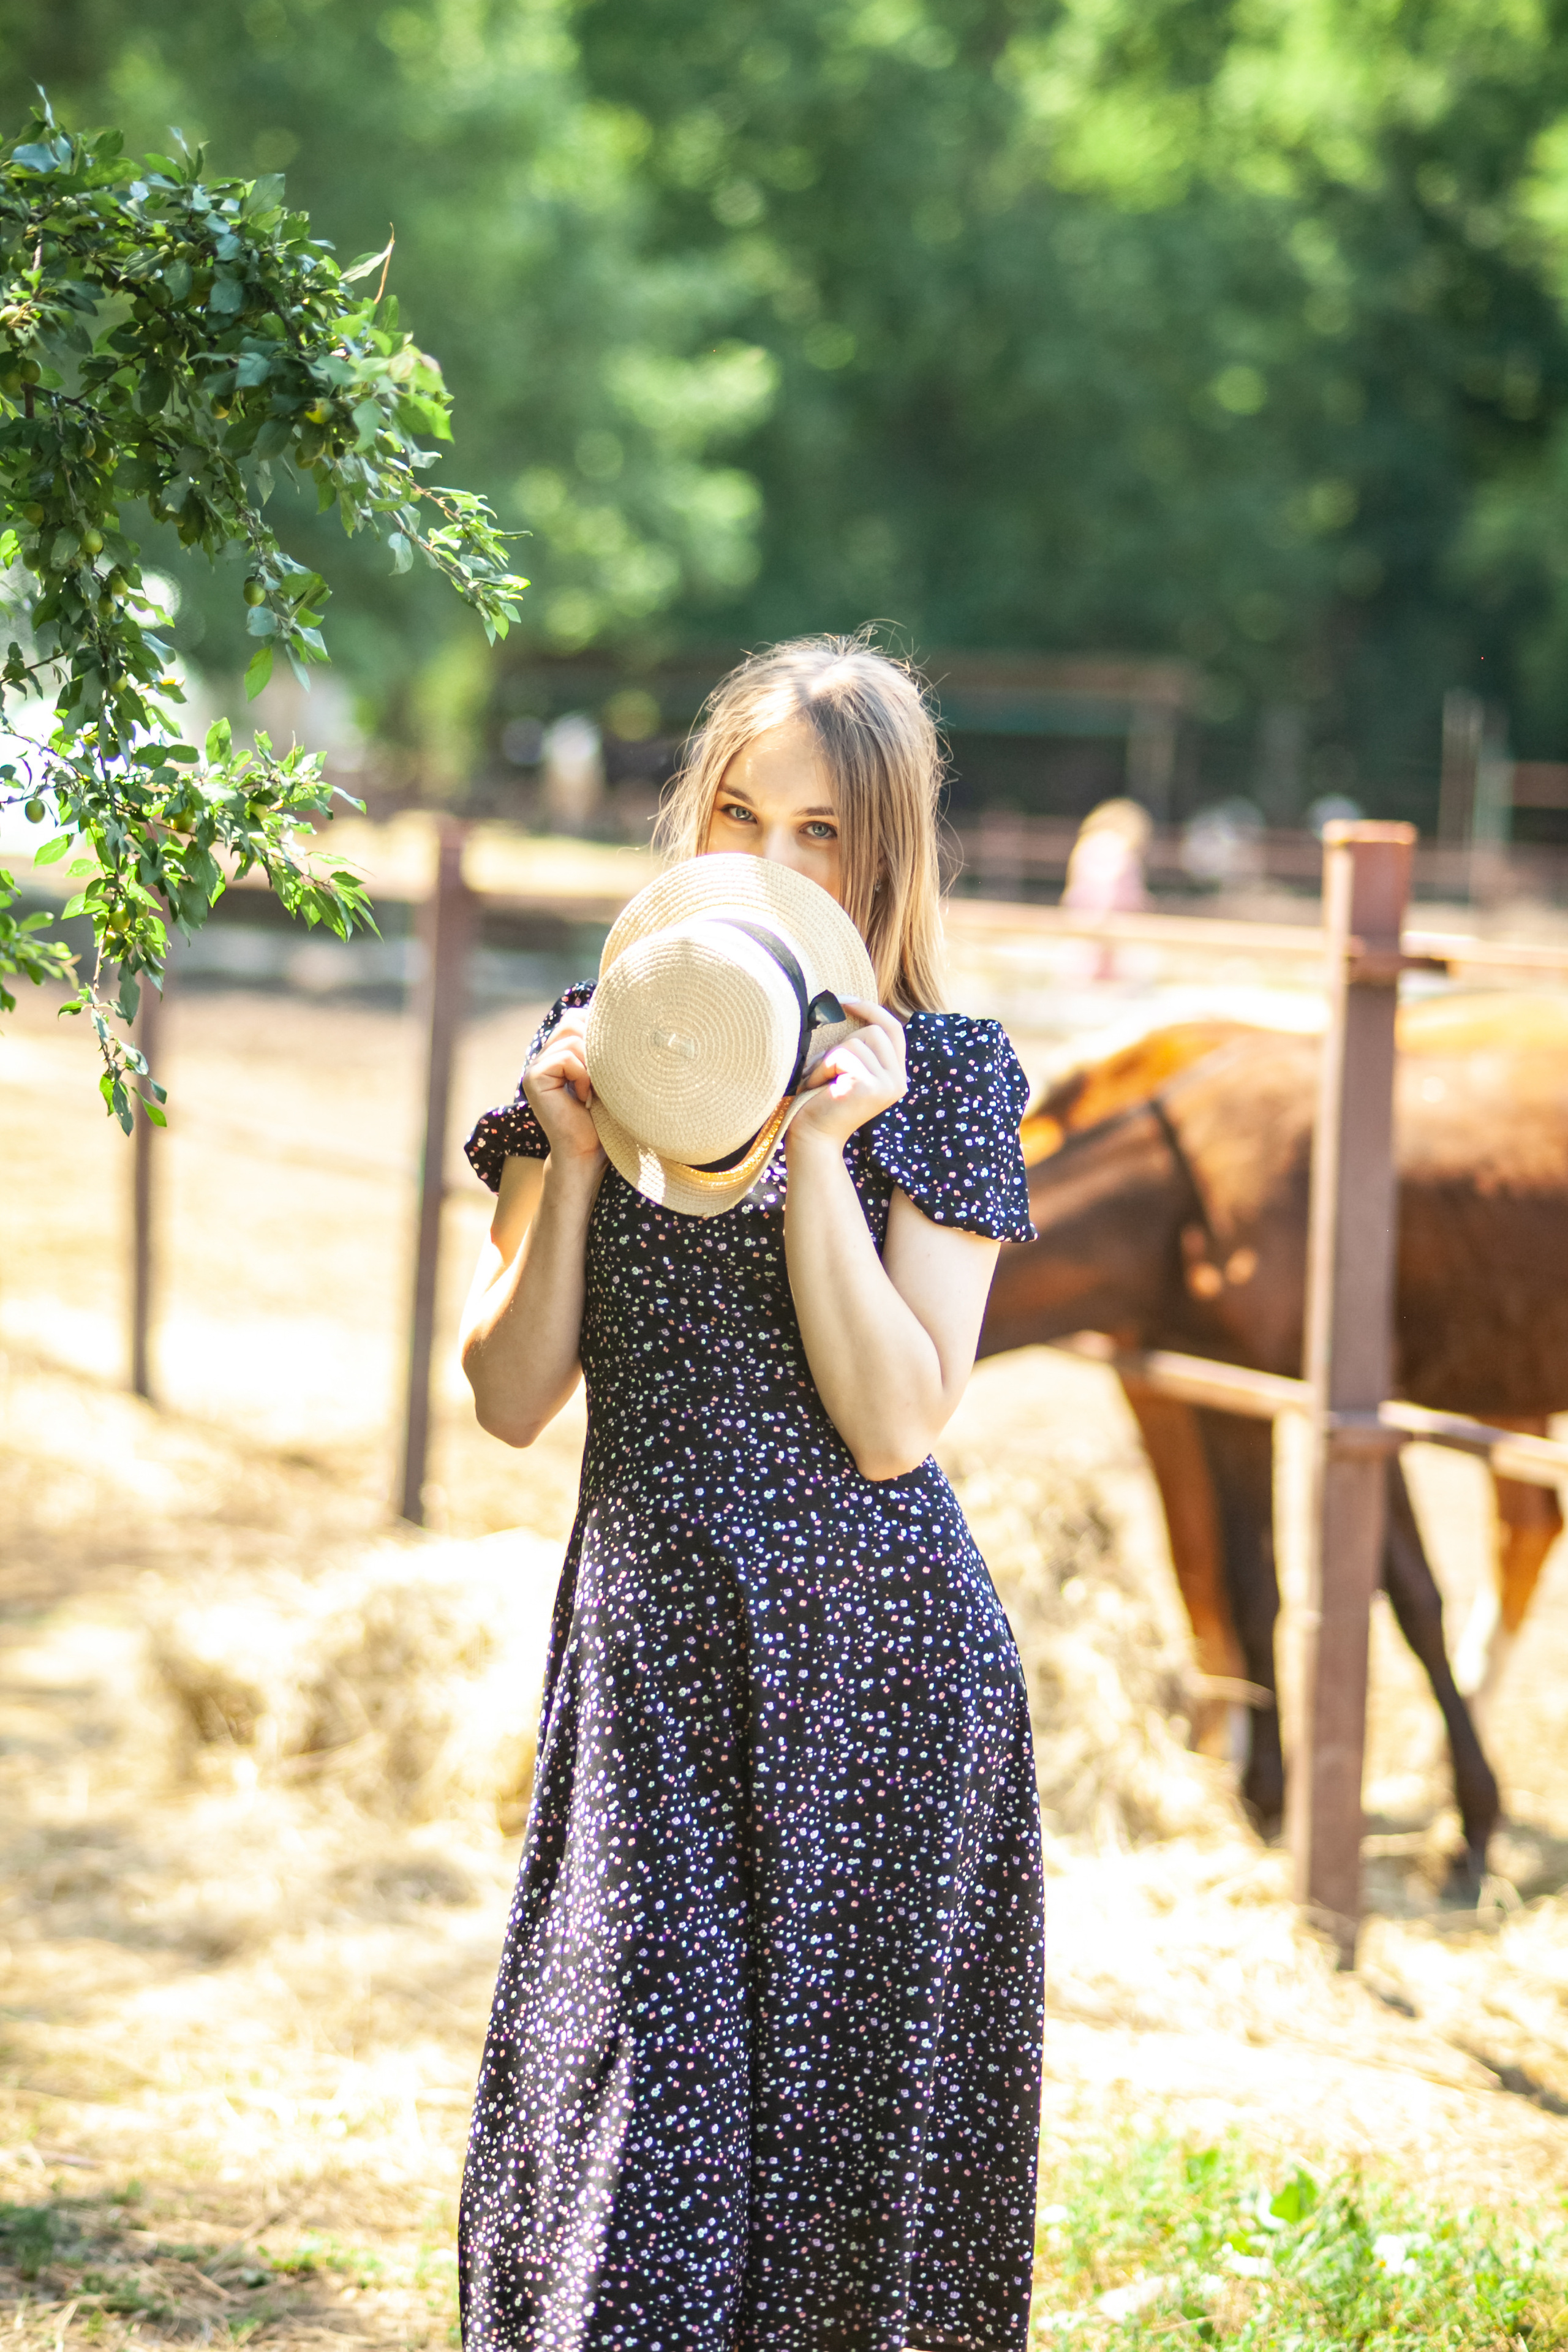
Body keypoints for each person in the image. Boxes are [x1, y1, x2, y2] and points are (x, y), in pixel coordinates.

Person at [457, 636, 1046, 2352]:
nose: (775, 863)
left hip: (877, 1693)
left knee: (847, 2205)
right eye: (739, 813)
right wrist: (569, 1167)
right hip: (655, 1672)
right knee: (630, 2170)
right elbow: (504, 1400)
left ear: (884, 860)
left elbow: (892, 1425)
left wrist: (822, 1154)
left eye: (822, 834)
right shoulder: (607, 1039)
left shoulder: (947, 1079)